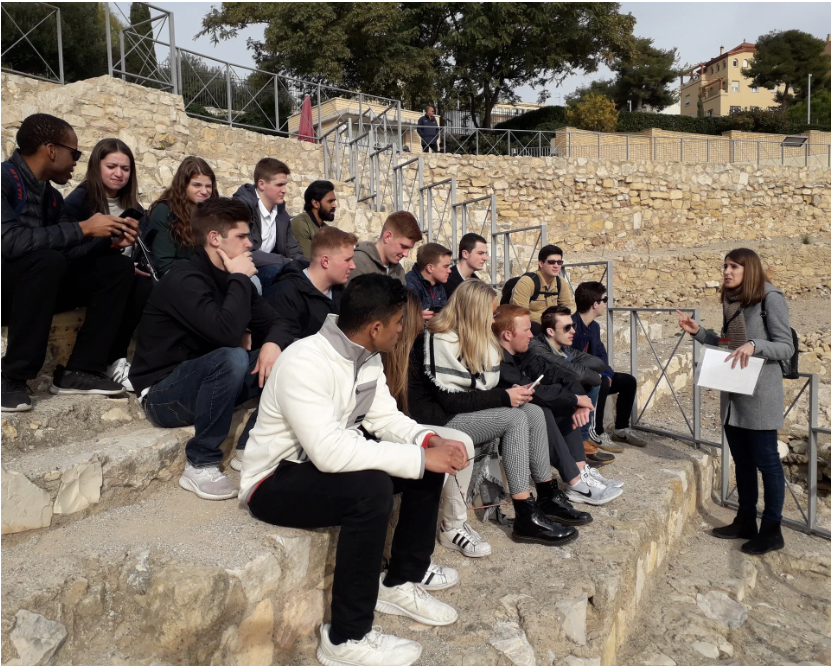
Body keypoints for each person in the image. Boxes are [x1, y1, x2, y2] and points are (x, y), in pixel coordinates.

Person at [240, 274, 465, 666]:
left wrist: (427, 441)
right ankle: (345, 638)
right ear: (376, 327)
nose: (403, 332)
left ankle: (399, 583)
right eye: (399, 324)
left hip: (319, 467)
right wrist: (416, 456)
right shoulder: (305, 361)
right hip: (274, 480)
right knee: (373, 489)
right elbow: (327, 451)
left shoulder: (366, 357)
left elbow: (384, 418)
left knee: (427, 465)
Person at [128, 198, 282, 501]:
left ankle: (247, 446)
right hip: (163, 395)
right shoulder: (185, 278)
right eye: (241, 236)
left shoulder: (232, 281)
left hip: (208, 383)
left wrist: (272, 345)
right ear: (215, 239)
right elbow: (225, 334)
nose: (250, 244)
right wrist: (240, 277)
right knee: (234, 356)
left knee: (286, 357)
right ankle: (200, 464)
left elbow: (278, 322)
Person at [416, 279, 580, 545]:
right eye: (491, 314)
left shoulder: (469, 338)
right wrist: (504, 396)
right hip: (437, 418)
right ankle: (524, 513)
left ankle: (547, 495)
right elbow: (450, 402)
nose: (493, 321)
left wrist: (510, 393)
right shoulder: (439, 340)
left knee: (533, 411)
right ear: (474, 313)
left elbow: (475, 391)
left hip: (457, 411)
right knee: (514, 417)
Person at [2, 113, 139, 411]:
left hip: (39, 286)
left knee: (117, 268)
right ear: (51, 150)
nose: (76, 161)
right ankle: (11, 377)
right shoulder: (4, 179)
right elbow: (8, 241)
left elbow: (68, 253)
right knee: (46, 261)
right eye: (74, 153)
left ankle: (81, 370)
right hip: (8, 289)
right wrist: (83, 228)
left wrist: (108, 241)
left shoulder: (51, 197)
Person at [677, 248, 794, 555]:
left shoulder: (771, 298)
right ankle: (745, 520)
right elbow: (731, 345)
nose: (726, 271)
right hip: (734, 393)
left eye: (733, 267)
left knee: (767, 464)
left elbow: (786, 347)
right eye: (725, 266)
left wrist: (755, 345)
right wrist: (700, 333)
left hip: (760, 395)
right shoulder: (733, 301)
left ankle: (772, 530)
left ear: (749, 270)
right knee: (742, 461)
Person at [382, 290, 493, 558]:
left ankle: (452, 526)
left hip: (411, 422)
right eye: (419, 315)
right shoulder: (401, 349)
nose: (425, 319)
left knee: (460, 441)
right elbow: (415, 409)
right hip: (396, 426)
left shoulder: (417, 346)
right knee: (449, 446)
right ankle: (424, 549)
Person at [494, 304, 623, 507]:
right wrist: (574, 399)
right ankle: (575, 481)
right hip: (496, 412)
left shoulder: (525, 352)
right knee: (542, 409)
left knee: (561, 403)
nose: (531, 335)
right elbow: (533, 393)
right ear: (508, 335)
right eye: (526, 330)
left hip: (522, 405)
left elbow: (558, 373)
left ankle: (579, 471)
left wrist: (579, 398)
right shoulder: (499, 360)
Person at [63, 137, 155, 391]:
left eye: (125, 169)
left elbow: (141, 248)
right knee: (123, 273)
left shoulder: (134, 208)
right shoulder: (79, 202)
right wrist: (110, 246)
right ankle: (97, 362)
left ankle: (117, 359)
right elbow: (69, 252)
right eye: (112, 166)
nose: (119, 174)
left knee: (145, 283)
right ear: (96, 166)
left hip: (122, 274)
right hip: (83, 275)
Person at [528, 305, 618, 465]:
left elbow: (598, 363)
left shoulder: (563, 349)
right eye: (567, 327)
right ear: (550, 332)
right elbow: (580, 374)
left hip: (558, 394)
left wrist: (575, 364)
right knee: (587, 382)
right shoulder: (538, 348)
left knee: (597, 382)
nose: (573, 331)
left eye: (574, 326)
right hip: (540, 398)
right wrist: (580, 369)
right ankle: (577, 452)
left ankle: (581, 444)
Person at [572, 281, 648, 449]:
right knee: (601, 381)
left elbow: (601, 354)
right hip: (576, 379)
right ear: (595, 304)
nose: (606, 303)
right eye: (604, 299)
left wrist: (607, 373)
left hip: (595, 375)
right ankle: (597, 433)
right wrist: (599, 375)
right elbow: (569, 360)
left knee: (628, 381)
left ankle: (621, 429)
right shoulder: (572, 327)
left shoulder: (594, 326)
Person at [267, 226, 357, 353]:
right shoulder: (286, 293)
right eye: (347, 260)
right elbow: (287, 347)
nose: (353, 266)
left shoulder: (339, 292)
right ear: (325, 261)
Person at [232, 157, 305, 288]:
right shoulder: (242, 207)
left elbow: (293, 250)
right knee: (281, 274)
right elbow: (245, 250)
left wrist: (310, 265)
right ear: (261, 184)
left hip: (272, 265)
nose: (284, 190)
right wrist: (286, 261)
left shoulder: (281, 212)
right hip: (243, 267)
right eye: (279, 185)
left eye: (285, 185)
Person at [147, 156, 217, 276]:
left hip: (210, 271)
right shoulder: (164, 212)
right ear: (183, 185)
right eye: (197, 185)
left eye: (208, 186)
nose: (204, 191)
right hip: (181, 277)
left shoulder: (212, 210)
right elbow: (165, 264)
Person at [509, 244, 576, 332]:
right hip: (529, 328)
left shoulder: (560, 282)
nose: (556, 266)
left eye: (559, 262)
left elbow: (569, 305)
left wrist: (561, 318)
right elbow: (520, 313)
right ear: (541, 263)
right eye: (551, 262)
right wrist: (550, 319)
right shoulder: (527, 282)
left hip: (553, 326)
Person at [351, 211, 422, 285]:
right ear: (387, 237)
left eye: (409, 248)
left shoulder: (399, 271)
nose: (406, 254)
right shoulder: (358, 263)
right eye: (403, 246)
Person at [290, 180, 337, 260]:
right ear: (315, 203)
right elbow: (309, 261)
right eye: (330, 201)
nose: (334, 205)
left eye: (334, 201)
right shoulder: (300, 224)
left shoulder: (327, 229)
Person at [405, 242, 451, 321]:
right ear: (430, 268)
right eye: (446, 266)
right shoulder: (409, 285)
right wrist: (415, 318)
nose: (449, 270)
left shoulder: (439, 286)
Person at [445, 232, 486, 299]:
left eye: (485, 253)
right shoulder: (447, 281)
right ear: (465, 254)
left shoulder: (478, 283)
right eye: (480, 253)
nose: (485, 258)